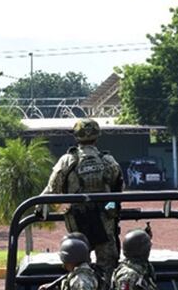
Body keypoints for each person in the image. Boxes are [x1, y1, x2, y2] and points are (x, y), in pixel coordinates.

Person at [42, 118, 123, 277]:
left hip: (78, 220)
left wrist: (40, 207)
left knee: (77, 263)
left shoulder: (67, 161)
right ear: (97, 136)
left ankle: (81, 289)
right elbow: (119, 188)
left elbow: (52, 189)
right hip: (104, 220)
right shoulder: (108, 160)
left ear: (76, 137)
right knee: (108, 266)